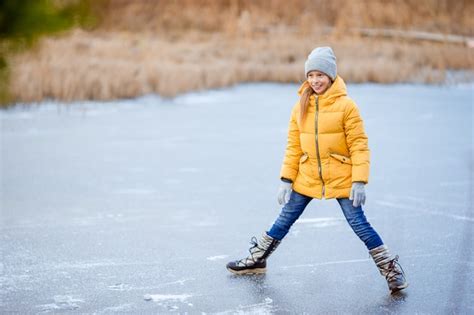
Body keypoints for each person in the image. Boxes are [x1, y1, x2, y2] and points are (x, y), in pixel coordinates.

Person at [226, 47, 408, 293]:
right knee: (284, 218)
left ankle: (391, 271)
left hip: (342, 176)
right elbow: (293, 146)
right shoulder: (300, 105)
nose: (315, 80)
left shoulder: (347, 106)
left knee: (360, 224)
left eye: (320, 75)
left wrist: (359, 181)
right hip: (308, 174)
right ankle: (258, 259)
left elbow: (359, 146)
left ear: (331, 76)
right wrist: (286, 179)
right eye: (310, 75)